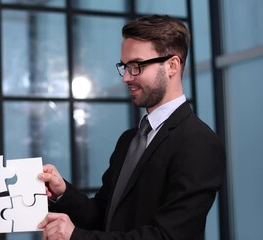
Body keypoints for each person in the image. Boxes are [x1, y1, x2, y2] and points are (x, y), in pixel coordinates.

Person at [38, 15, 226, 240]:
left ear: (172, 65)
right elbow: (103, 215)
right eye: (125, 66)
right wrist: (63, 193)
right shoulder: (129, 139)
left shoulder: (200, 143)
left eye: (137, 66)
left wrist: (75, 236)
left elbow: (167, 236)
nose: (126, 77)